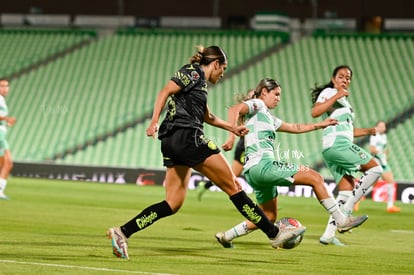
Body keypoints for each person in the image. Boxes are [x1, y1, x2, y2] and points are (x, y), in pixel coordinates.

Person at [106, 46, 305, 259]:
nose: (223, 73)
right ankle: (274, 233)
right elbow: (165, 91)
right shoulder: (193, 72)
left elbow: (208, 117)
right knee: (234, 186)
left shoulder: (199, 86)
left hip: (172, 142)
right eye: (223, 68)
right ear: (215, 63)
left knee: (172, 203)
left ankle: (122, 232)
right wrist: (154, 121)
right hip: (188, 138)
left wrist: (233, 129)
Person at [215, 78, 368, 248]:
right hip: (263, 166)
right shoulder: (258, 104)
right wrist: (231, 135)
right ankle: (341, 220)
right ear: (265, 91)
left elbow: (296, 127)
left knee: (269, 216)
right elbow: (235, 109)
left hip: (253, 171)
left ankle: (227, 236)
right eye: (276, 94)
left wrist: (320, 124)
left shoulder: (268, 118)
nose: (279, 98)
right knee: (315, 178)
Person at [310, 65, 383, 246]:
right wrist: (336, 95)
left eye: (348, 77)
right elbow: (315, 112)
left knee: (346, 189)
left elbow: (348, 131)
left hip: (336, 145)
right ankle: (348, 212)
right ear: (334, 79)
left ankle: (328, 235)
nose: (345, 80)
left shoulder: (345, 104)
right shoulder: (329, 92)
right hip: (338, 145)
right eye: (341, 76)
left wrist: (367, 131)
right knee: (375, 169)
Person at [197, 90, 255, 201]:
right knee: (231, 177)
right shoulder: (246, 111)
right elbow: (236, 124)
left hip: (251, 147)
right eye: (252, 96)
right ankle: (205, 185)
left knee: (235, 176)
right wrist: (231, 138)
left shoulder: (259, 111)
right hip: (245, 147)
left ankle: (266, 204)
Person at [368, 120, 400, 213]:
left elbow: (384, 149)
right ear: (376, 127)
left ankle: (390, 206)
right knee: (377, 183)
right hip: (377, 161)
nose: (383, 128)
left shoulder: (384, 136)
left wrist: (386, 155)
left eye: (384, 126)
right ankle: (390, 206)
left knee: (387, 181)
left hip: (383, 161)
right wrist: (381, 154)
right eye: (381, 126)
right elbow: (372, 150)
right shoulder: (374, 136)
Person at [0, 79, 16, 200]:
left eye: (7, 86)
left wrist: (6, 122)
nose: (5, 88)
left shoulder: (3, 100)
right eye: (2, 86)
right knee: (5, 162)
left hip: (2, 133)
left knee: (8, 162)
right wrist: (6, 119)